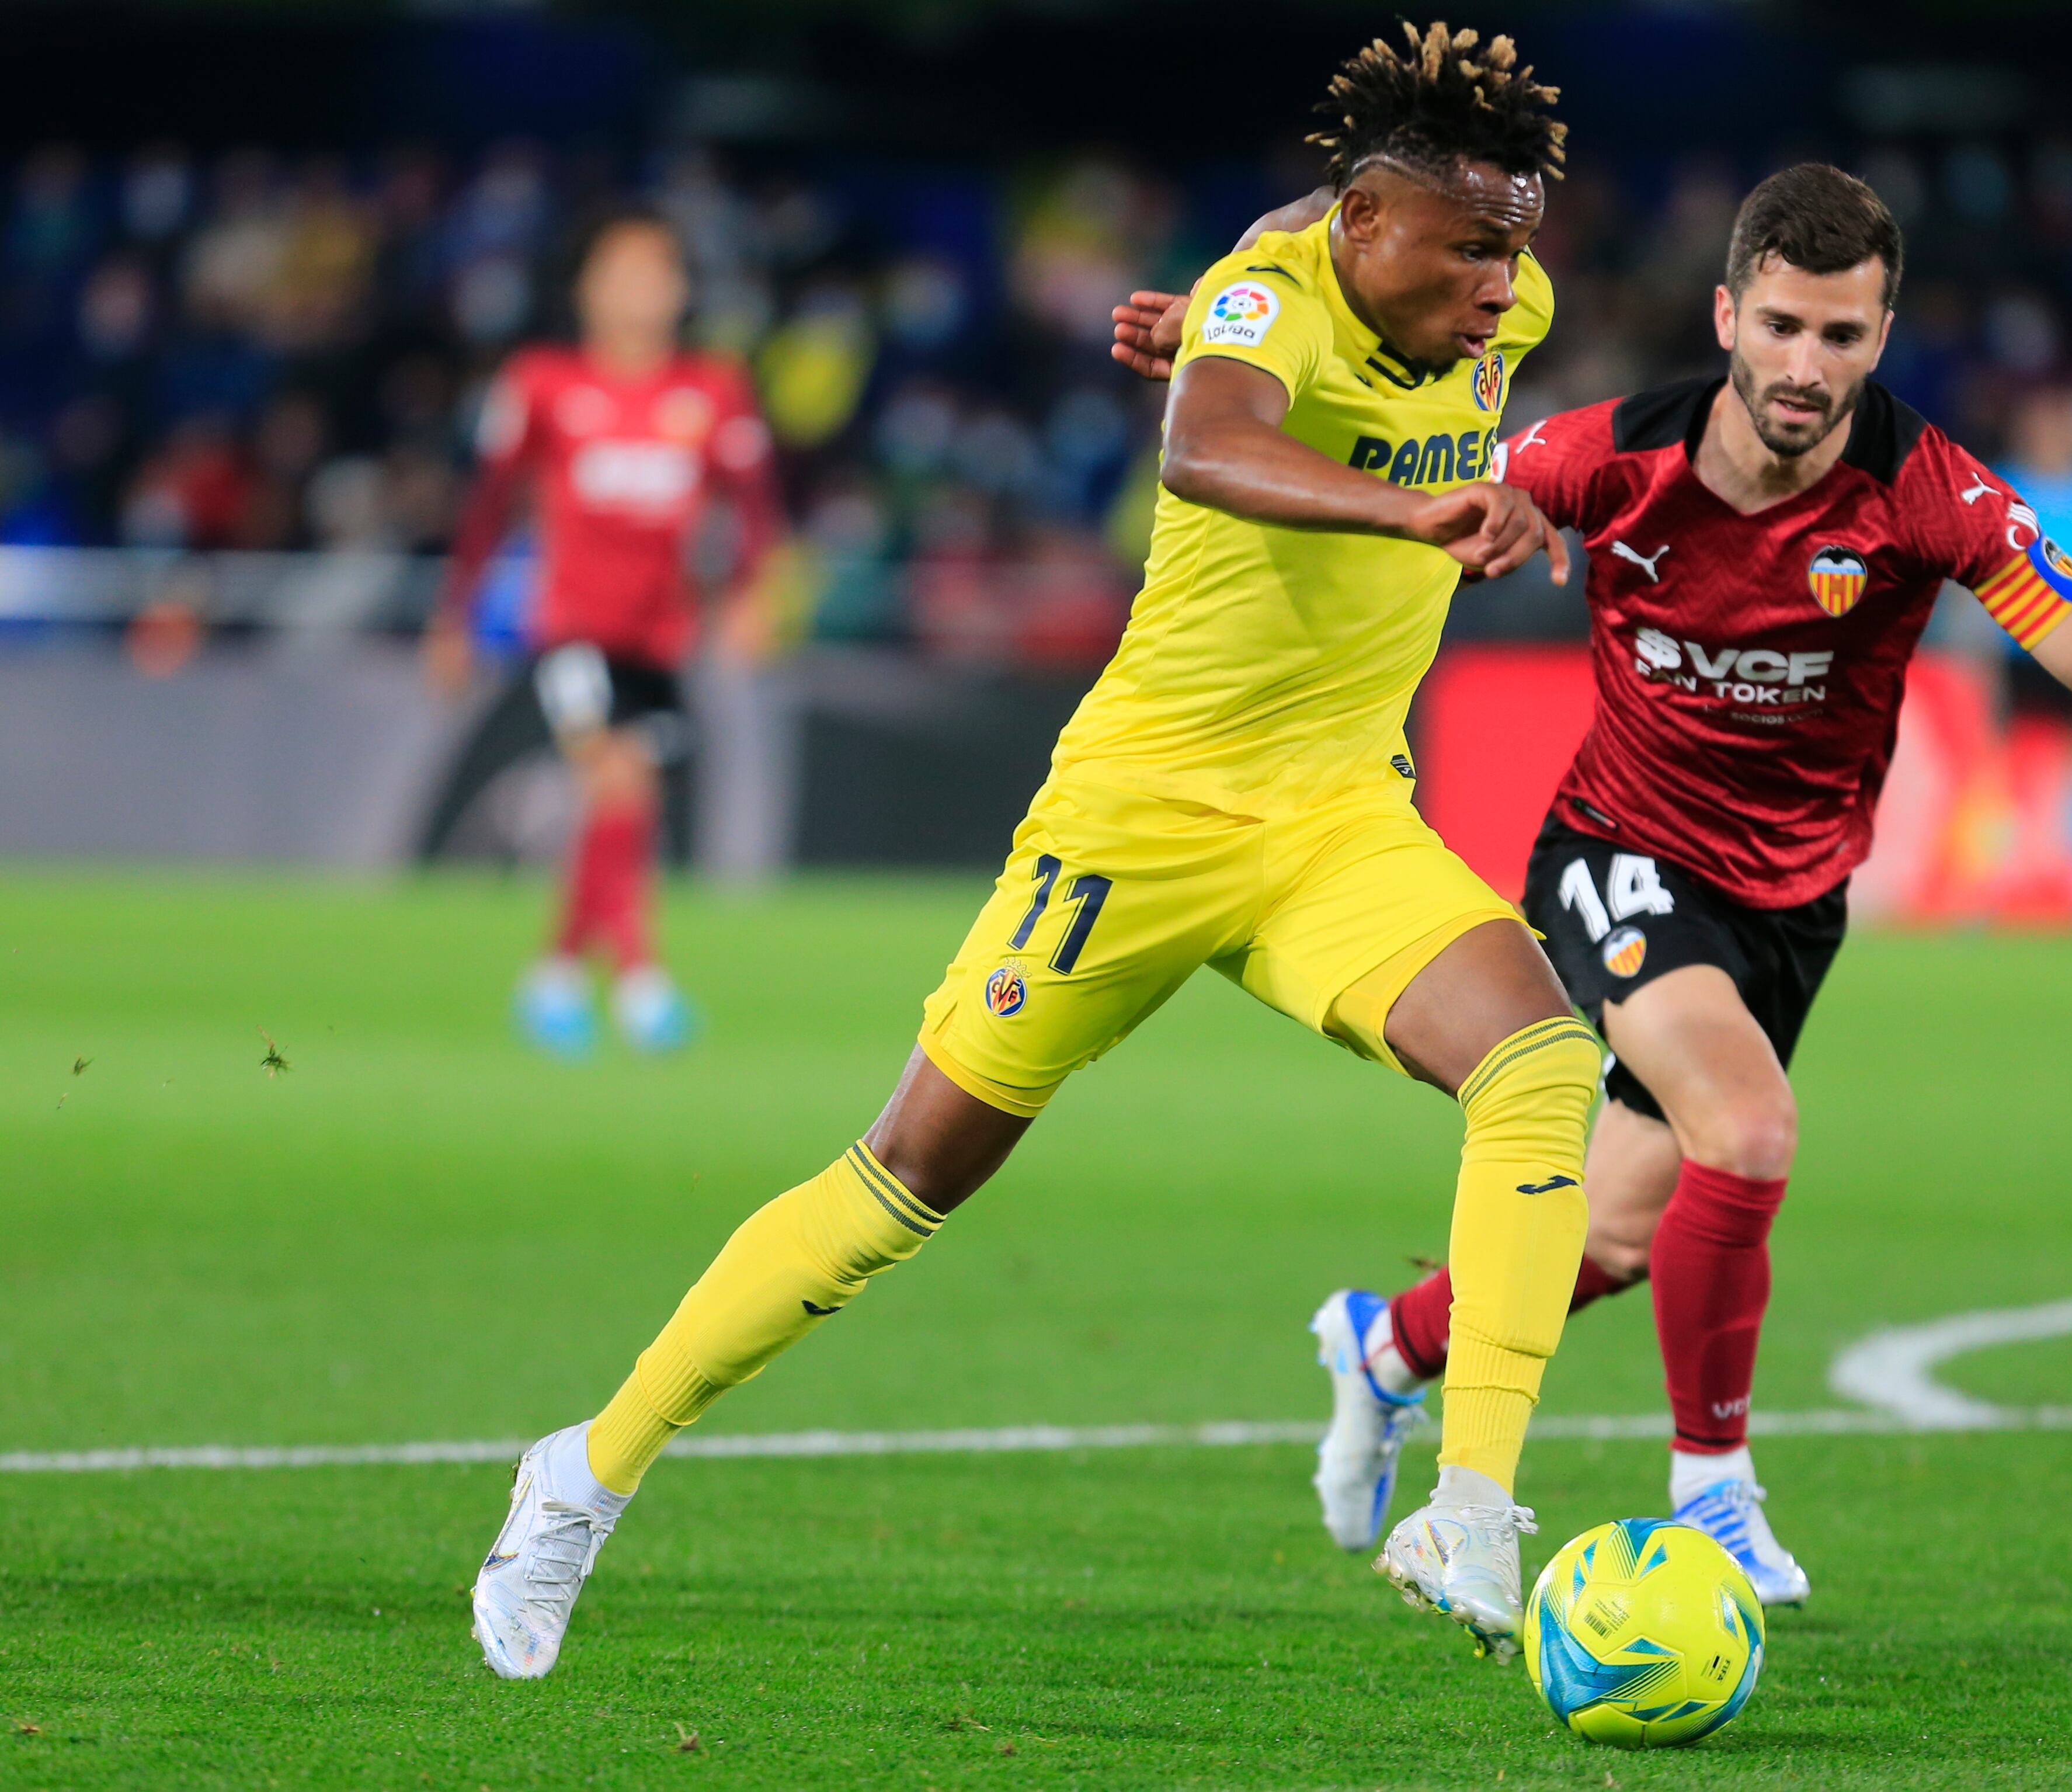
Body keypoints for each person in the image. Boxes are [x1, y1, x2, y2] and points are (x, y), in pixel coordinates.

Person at [473, 22, 1598, 1680]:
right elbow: (1206, 441)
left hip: (1339, 813)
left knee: (1541, 1065)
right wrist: (1398, 495)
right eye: (1468, 248)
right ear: (1365, 223)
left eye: (1515, 249)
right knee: (901, 1182)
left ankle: (1475, 1501)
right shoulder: (1269, 304)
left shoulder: (1455, 297)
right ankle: (585, 1467)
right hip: (1136, 819)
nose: (1503, 288)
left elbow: (1312, 281)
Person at [1114, 163, 2072, 1605]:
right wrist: (1229, 333)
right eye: (1779, 325)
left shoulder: (1931, 493)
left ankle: (1388, 1343)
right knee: (1751, 1126)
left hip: (1794, 902)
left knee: (1615, 1233)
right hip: (1618, 857)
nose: (1804, 364)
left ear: (1880, 338)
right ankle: (1712, 1489)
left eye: (1839, 336)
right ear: (1727, 313)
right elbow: (1407, 458)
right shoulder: (1609, 456)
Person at [423, 207, 782, 1057]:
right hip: (570, 630)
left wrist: (750, 593)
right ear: (585, 286)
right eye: (619, 269)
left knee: (629, 805)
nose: (638, 288)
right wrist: (455, 614)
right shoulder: (543, 383)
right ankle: (641, 981)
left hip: (659, 637)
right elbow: (486, 506)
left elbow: (755, 508)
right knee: (615, 781)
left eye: (656, 270)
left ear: (681, 290)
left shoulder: (711, 392)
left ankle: (551, 972)